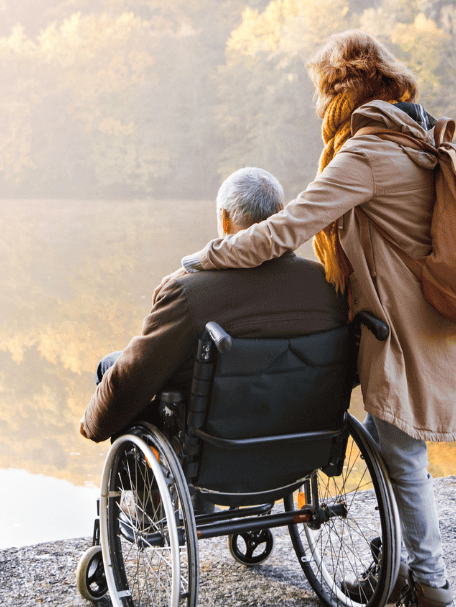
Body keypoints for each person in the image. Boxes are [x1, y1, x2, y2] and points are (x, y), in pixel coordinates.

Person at [178, 30, 456, 607]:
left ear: (340, 94)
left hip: (402, 336)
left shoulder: (368, 153)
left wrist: (206, 256)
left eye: (322, 96)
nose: (319, 110)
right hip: (439, 326)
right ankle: (399, 573)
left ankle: (434, 599)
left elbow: (285, 228)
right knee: (402, 457)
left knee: (403, 460)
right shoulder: (415, 138)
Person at [79, 167, 347, 443]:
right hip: (299, 443)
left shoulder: (188, 294)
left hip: (213, 447)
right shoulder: (328, 285)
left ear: (225, 219)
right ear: (281, 213)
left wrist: (92, 424)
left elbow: (133, 379)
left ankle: (140, 485)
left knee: (112, 367)